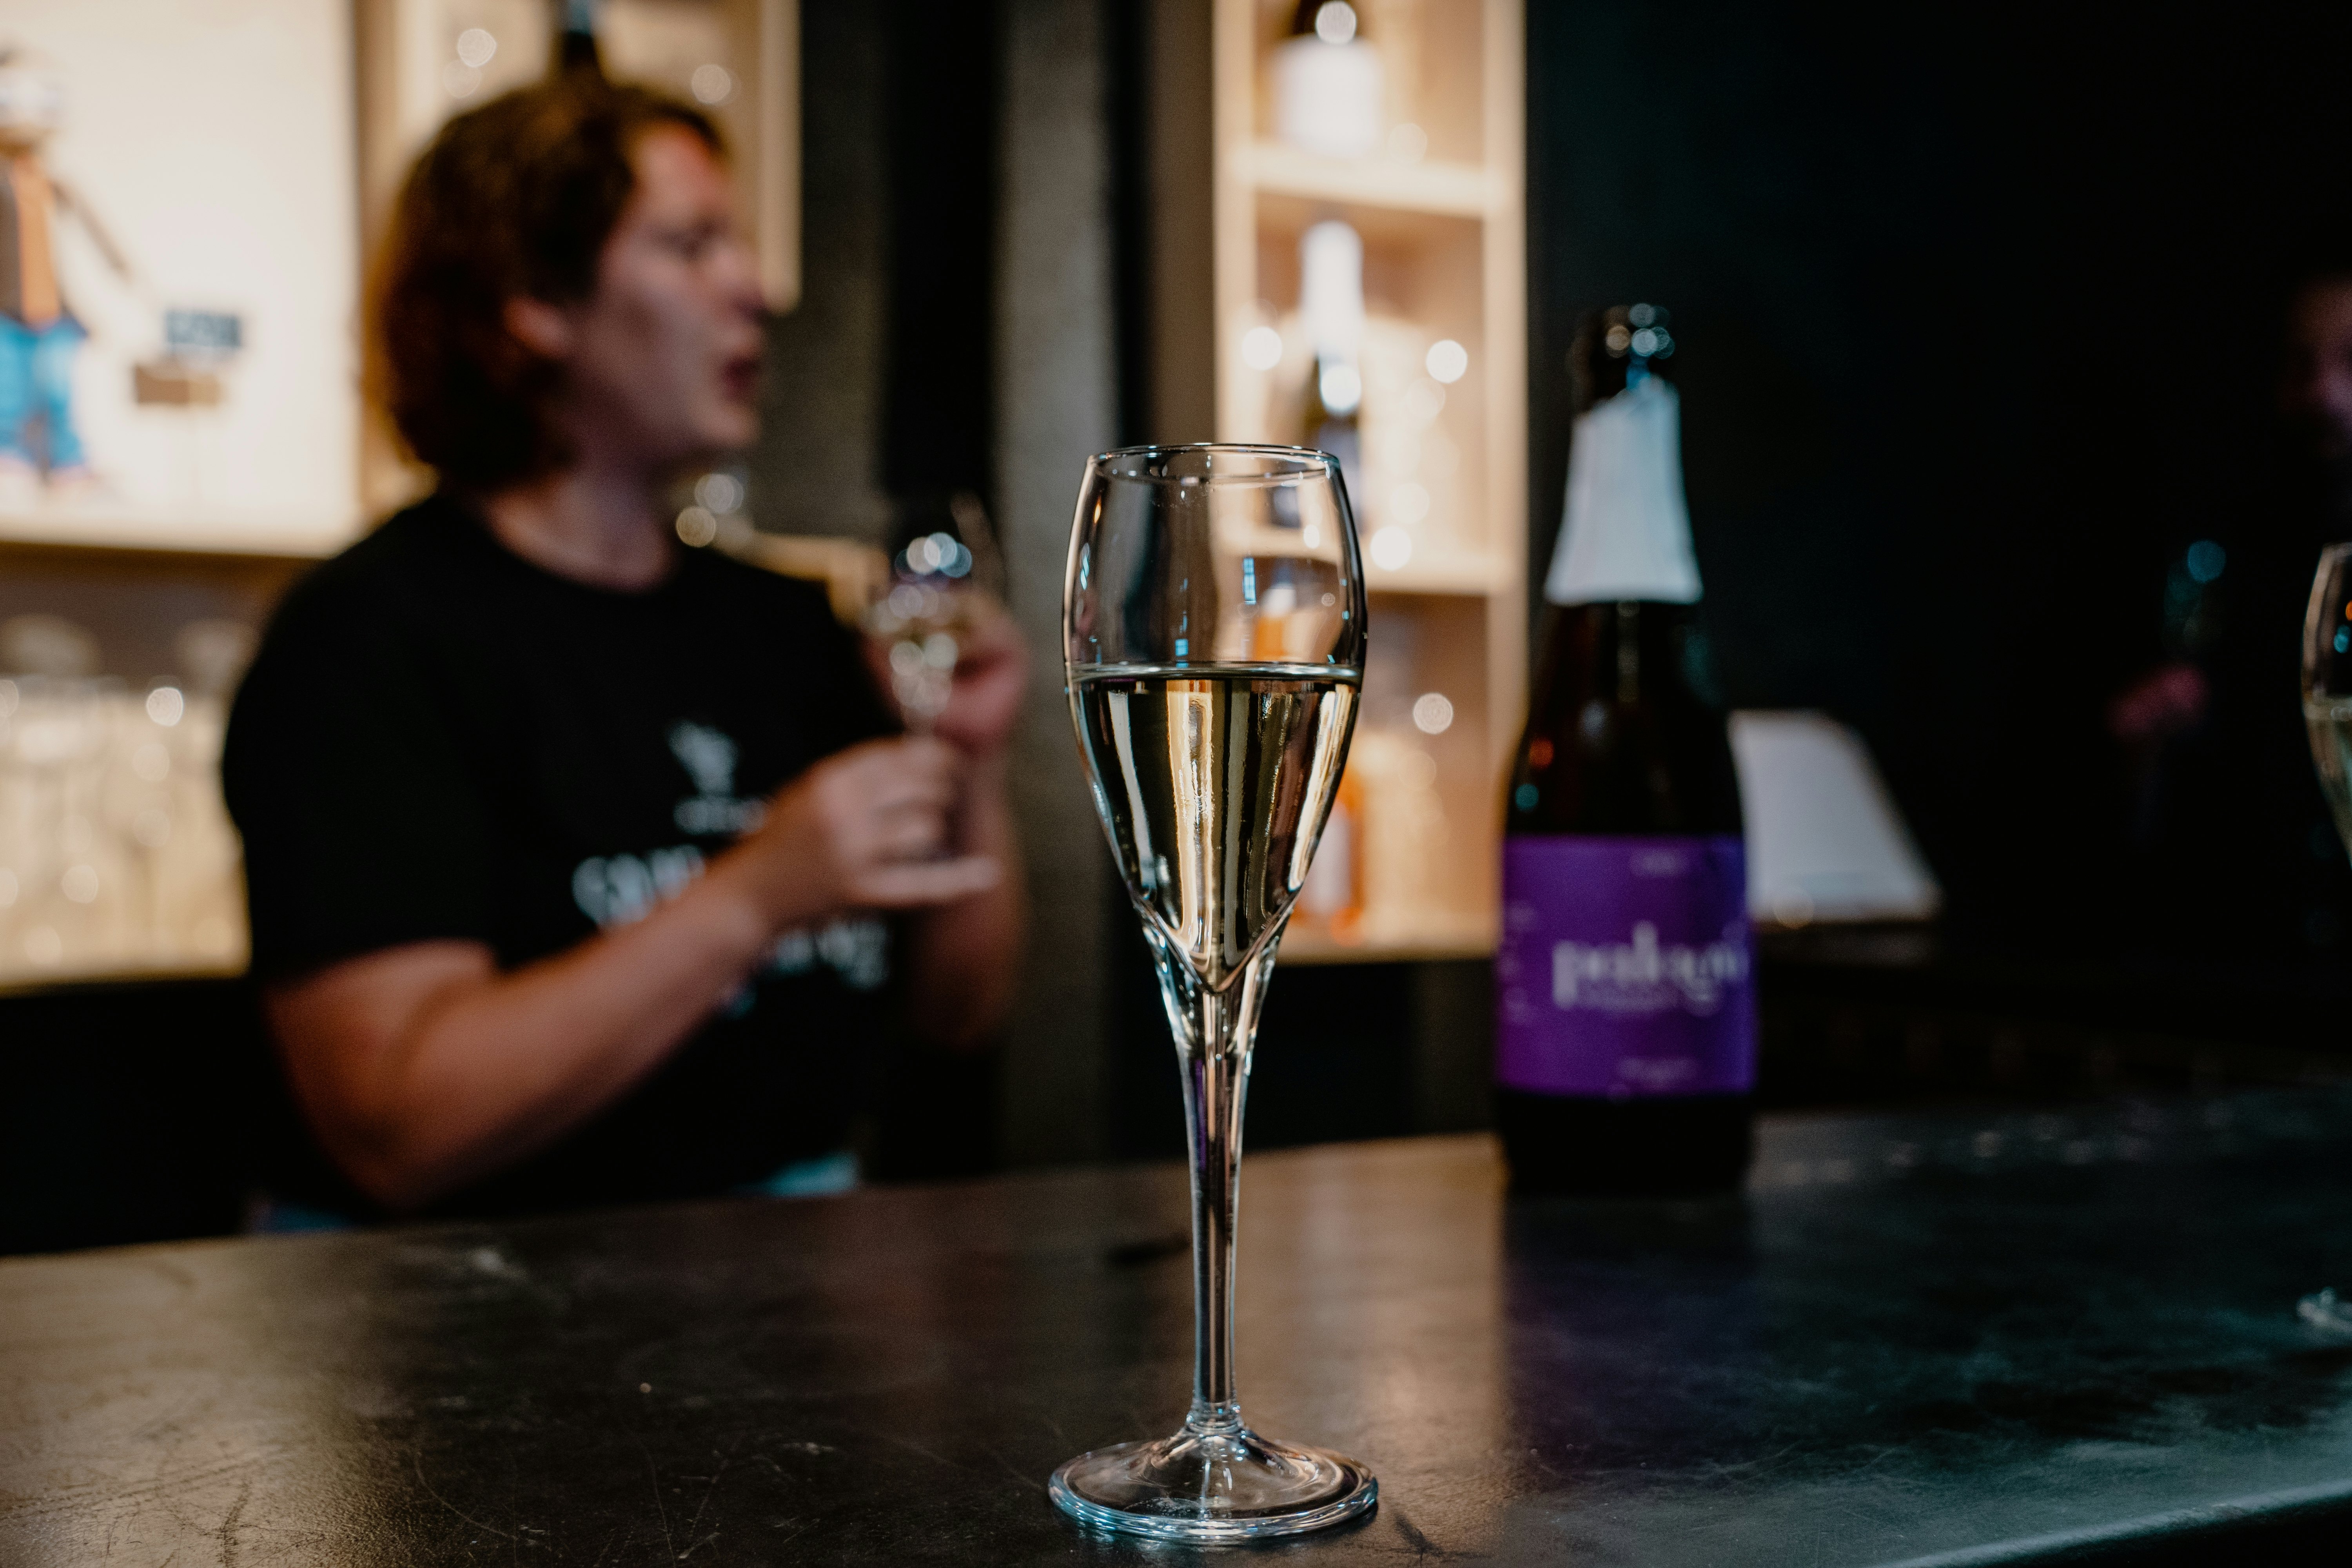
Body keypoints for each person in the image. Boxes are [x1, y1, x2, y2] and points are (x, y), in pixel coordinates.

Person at [223, 78, 1025, 1221]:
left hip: (796, 1312)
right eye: (691, 246)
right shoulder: (367, 642)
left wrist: (970, 764)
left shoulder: (790, 627)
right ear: (533, 299)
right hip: (467, 1346)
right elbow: (395, 1126)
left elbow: (959, 1013)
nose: (754, 288)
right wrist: (751, 898)